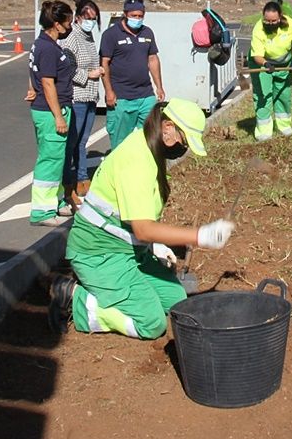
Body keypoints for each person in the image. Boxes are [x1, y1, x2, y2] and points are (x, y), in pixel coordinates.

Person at [48, 99, 236, 339]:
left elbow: (135, 216)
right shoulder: (137, 160)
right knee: (151, 323)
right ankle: (74, 297)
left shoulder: (149, 147)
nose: (183, 147)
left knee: (176, 301)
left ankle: (115, 290)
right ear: (167, 126)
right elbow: (144, 228)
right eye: (184, 139)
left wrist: (153, 244)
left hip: (128, 250)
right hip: (98, 254)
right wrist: (201, 235)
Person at [27, 0, 76, 227]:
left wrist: (31, 88)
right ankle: (42, 212)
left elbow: (34, 74)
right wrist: (58, 116)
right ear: (57, 24)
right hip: (50, 111)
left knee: (56, 159)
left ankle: (53, 202)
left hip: (50, 109)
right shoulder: (47, 48)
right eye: (68, 22)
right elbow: (47, 83)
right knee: (50, 160)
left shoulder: (43, 44)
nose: (70, 25)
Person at [100, 0, 165, 149]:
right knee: (121, 142)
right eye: (133, 16)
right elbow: (104, 63)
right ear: (125, 14)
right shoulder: (111, 35)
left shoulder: (147, 33)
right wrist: (109, 91)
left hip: (145, 95)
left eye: (140, 16)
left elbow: (153, 59)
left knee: (151, 137)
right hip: (122, 97)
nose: (137, 19)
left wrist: (159, 86)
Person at [58, 0, 104, 207]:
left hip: (90, 97)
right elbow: (67, 67)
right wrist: (89, 75)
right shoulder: (71, 38)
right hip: (77, 96)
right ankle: (69, 183)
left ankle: (82, 178)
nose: (91, 22)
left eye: (94, 19)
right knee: (72, 143)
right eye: (88, 18)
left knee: (83, 141)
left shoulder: (89, 37)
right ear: (78, 18)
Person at [248, 0, 292, 142]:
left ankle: (284, 126)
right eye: (267, 21)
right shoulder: (258, 29)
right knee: (263, 95)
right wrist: (266, 64)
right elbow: (257, 56)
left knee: (283, 95)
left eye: (274, 21)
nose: (270, 24)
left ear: (280, 17)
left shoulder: (291, 25)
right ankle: (264, 132)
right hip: (262, 64)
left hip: (284, 64)